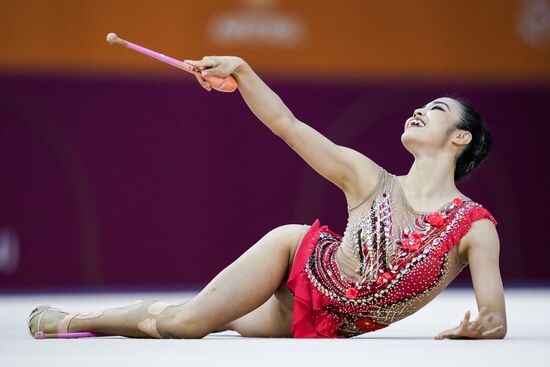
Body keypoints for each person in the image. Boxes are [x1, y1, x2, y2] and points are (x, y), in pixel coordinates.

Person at [28, 57, 507, 340]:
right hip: (299, 260)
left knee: (194, 321)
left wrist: (478, 329)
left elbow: (495, 318)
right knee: (188, 323)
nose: (419, 111)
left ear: (460, 138)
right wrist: (242, 70)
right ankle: (72, 320)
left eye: (437, 109)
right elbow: (288, 126)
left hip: (329, 319)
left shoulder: (474, 227)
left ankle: (102, 317)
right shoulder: (369, 177)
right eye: (421, 105)